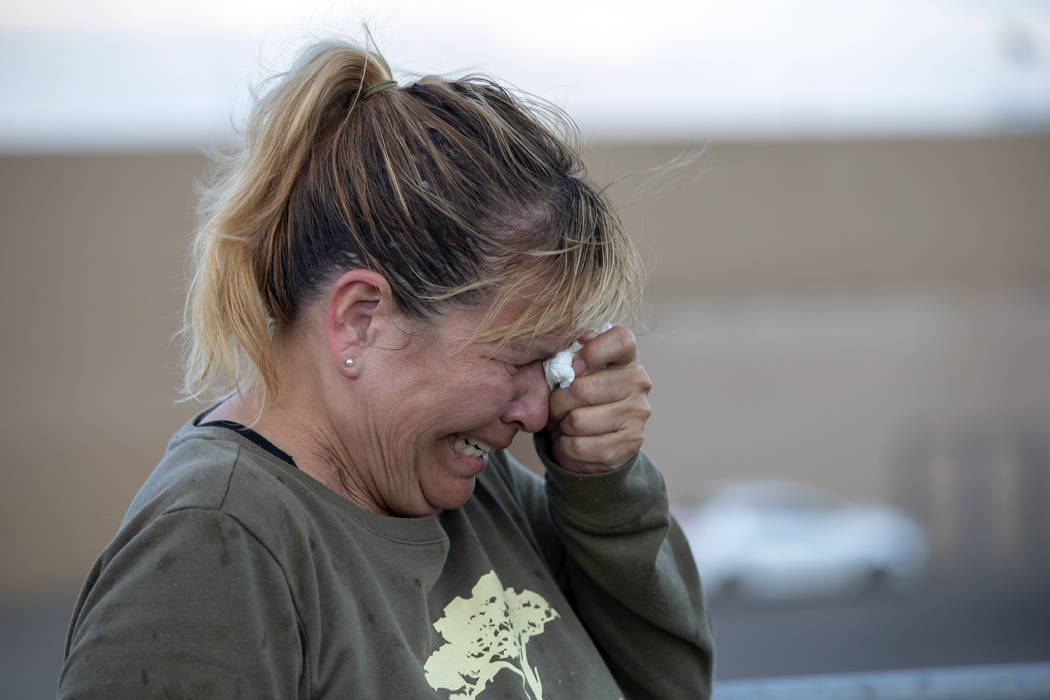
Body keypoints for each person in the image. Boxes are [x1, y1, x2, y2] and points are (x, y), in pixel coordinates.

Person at [59, 39, 713, 699]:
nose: (538, 411)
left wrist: (603, 487)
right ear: (362, 318)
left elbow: (672, 685)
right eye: (520, 358)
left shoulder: (481, 492)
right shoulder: (214, 545)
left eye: (554, 364)